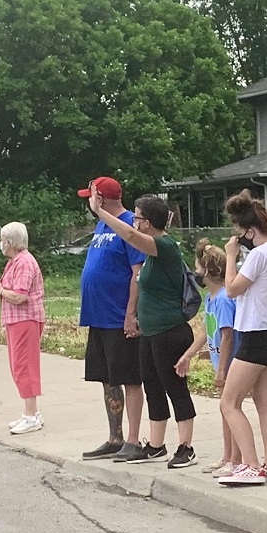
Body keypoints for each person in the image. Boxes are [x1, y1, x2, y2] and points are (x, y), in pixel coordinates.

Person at [90, 192, 201, 468]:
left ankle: (186, 446)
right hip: (150, 333)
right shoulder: (151, 253)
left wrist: (100, 212)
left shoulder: (164, 247)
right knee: (152, 387)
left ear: (148, 223)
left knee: (175, 388)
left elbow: (128, 235)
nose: (134, 222)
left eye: (138, 218)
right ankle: (155, 444)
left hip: (170, 331)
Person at [218, 189, 267, 486]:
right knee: (265, 402)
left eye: (239, 233)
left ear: (249, 231)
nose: (238, 239)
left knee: (229, 402)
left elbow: (232, 289)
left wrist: (231, 256)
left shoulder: (259, 254)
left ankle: (250, 465)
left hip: (254, 334)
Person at [76, 177, 146, 461]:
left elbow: (137, 272)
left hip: (119, 317)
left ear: (101, 199)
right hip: (99, 316)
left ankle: (133, 439)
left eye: (91, 198)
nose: (89, 204)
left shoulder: (129, 224)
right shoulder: (102, 224)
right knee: (107, 379)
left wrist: (131, 314)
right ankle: (114, 437)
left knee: (129, 378)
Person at [0, 222, 45, 435]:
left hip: (25, 320)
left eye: (2, 239)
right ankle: (29, 412)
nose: (0, 243)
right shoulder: (15, 262)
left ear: (10, 242)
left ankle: (31, 415)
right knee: (18, 366)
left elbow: (20, 295)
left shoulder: (24, 262)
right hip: (16, 320)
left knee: (24, 366)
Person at [192, 240, 241, 477]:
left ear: (208, 271)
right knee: (225, 409)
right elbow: (207, 331)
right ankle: (227, 456)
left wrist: (222, 370)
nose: (196, 273)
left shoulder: (222, 299)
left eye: (198, 268)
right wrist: (188, 355)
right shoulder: (211, 299)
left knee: (231, 409)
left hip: (230, 364)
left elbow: (227, 336)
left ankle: (236, 459)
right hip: (219, 361)